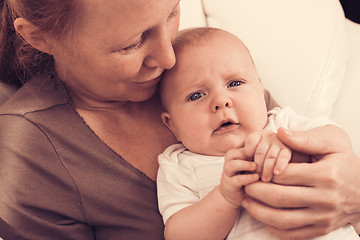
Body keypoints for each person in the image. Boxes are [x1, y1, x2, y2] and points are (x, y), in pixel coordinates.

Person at [0, 1, 359, 240]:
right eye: (131, 44)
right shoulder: (28, 160)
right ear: (40, 37)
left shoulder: (207, 64)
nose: (170, 58)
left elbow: (314, 145)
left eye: (172, 13)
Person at [157, 27, 359, 240]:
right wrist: (225, 197)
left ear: (261, 93)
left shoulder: (282, 123)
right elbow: (178, 235)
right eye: (196, 95)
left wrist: (292, 144)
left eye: (235, 83)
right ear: (172, 125)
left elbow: (338, 141)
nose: (221, 101)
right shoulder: (179, 165)